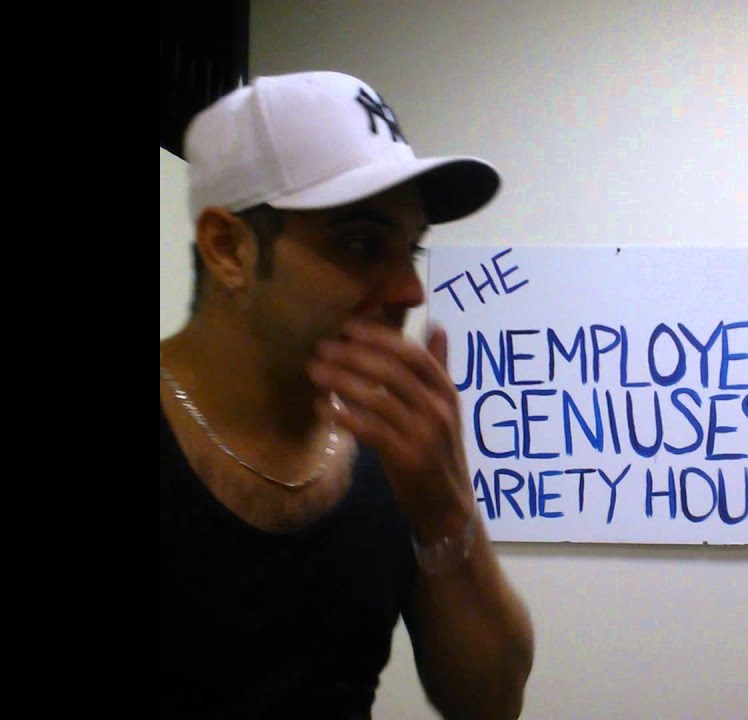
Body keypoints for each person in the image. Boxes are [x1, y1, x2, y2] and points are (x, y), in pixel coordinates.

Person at [159, 71, 534, 719]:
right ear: (228, 249)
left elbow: (491, 704)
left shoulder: (386, 444)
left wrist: (446, 508)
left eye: (411, 248)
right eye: (361, 243)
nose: (410, 291)